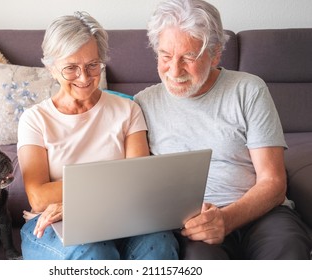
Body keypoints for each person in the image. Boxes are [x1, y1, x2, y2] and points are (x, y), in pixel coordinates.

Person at [134, 0, 312, 259]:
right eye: (166, 56)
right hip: (192, 222)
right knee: (200, 262)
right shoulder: (143, 103)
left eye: (189, 57)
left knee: (287, 250)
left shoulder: (249, 90)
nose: (174, 70)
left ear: (215, 54)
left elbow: (273, 181)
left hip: (262, 212)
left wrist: (226, 219)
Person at [16, 11, 178, 260]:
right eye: (71, 68)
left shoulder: (128, 110)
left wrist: (80, 203)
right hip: (52, 223)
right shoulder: (34, 120)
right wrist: (107, 188)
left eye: (93, 65)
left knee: (161, 241)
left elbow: (138, 183)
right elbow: (38, 197)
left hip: (122, 216)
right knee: (93, 251)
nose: (84, 77)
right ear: (51, 67)